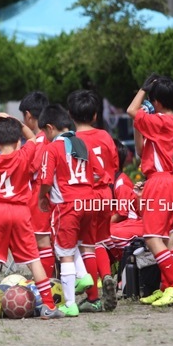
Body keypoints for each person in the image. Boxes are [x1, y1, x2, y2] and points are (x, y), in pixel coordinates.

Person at [0, 112, 64, 321]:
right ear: (18, 139)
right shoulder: (24, 154)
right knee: (33, 259)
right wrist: (17, 123)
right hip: (20, 210)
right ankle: (49, 307)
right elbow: (33, 139)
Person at [126, 73, 173, 306]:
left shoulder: (162, 121)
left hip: (161, 183)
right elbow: (142, 151)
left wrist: (142, 90)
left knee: (152, 237)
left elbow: (131, 110)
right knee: (165, 237)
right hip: (164, 181)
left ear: (158, 101)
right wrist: (140, 122)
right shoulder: (166, 123)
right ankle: (166, 287)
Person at [38, 104, 103, 317]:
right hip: (89, 202)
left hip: (68, 205)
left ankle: (70, 305)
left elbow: (46, 180)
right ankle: (83, 276)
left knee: (63, 253)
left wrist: (41, 197)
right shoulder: (82, 143)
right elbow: (98, 174)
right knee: (74, 244)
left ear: (49, 128)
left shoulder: (52, 148)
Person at [68, 89, 118, 312]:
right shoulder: (106, 136)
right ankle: (107, 275)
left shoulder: (72, 140)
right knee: (99, 242)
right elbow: (114, 166)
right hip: (106, 195)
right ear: (96, 115)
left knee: (86, 246)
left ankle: (93, 296)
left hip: (85, 196)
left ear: (70, 115)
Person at [18, 91, 55, 278]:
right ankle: (47, 279)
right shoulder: (50, 136)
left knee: (41, 241)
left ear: (28, 116)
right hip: (48, 192)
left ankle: (46, 283)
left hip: (39, 194)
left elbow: (31, 167)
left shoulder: (40, 141)